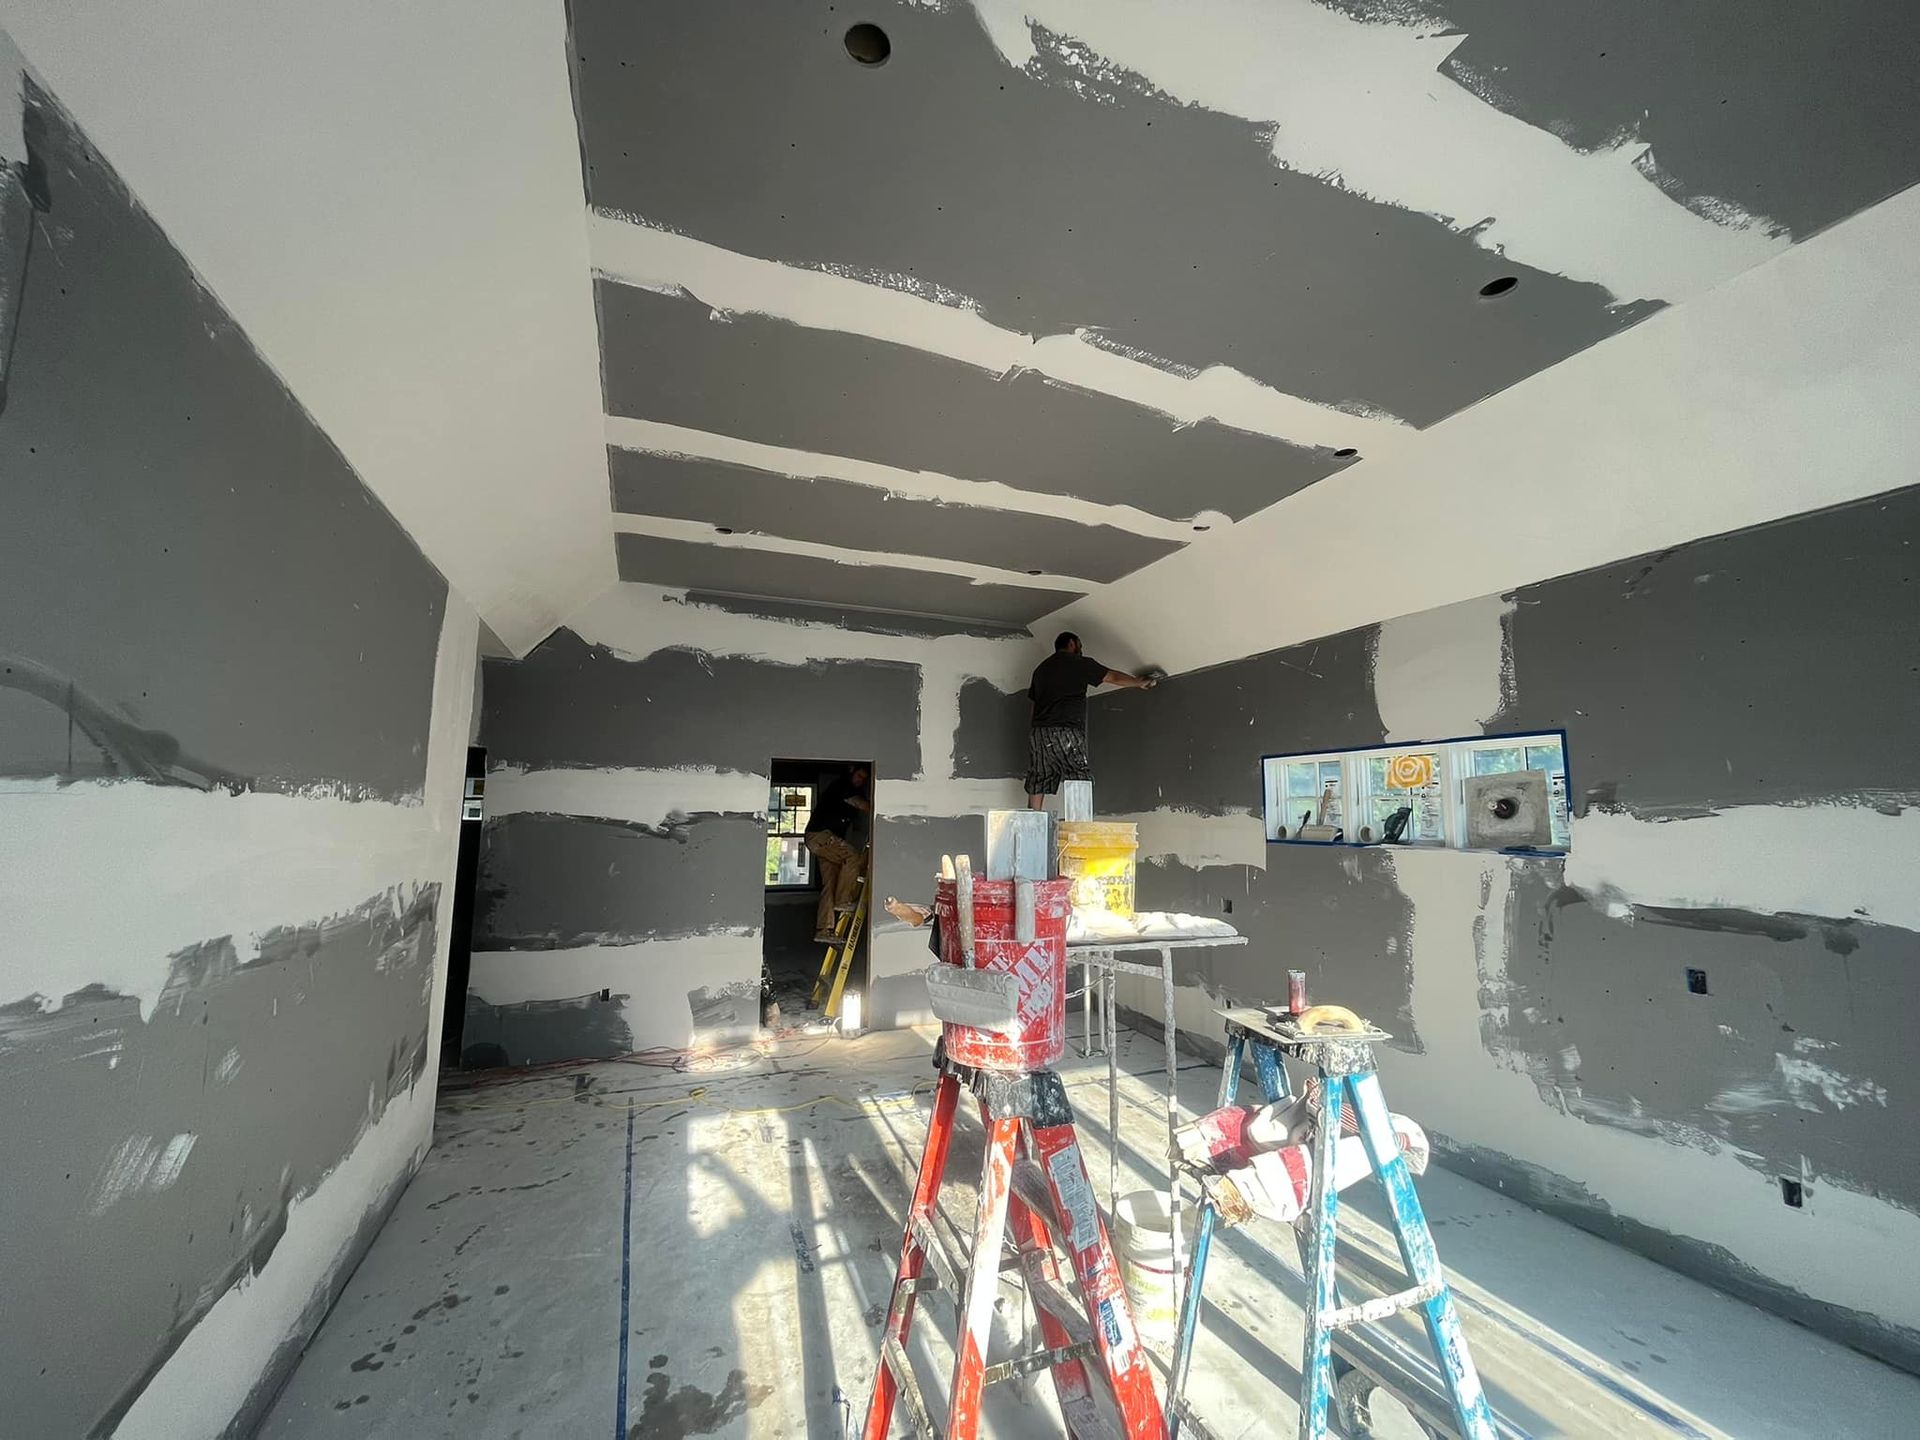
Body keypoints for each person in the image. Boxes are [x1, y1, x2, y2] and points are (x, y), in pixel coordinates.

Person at [1026, 632, 1156, 810]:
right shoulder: (1078, 663)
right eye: (1080, 645)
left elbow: (1034, 704)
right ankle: (1079, 824)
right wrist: (1138, 682)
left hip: (1038, 732)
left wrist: (1036, 731)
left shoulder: (1041, 669)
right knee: (1077, 773)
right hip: (1066, 730)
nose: (1081, 649)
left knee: (1039, 776)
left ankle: (1032, 821)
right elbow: (1113, 677)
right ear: (1072, 643)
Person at [803, 764, 872, 942]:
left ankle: (824, 930)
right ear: (851, 772)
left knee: (830, 883)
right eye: (858, 776)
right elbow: (860, 804)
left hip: (821, 842)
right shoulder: (842, 786)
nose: (860, 780)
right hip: (820, 836)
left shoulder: (853, 791)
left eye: (863, 779)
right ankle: (843, 900)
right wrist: (882, 809)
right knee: (852, 857)